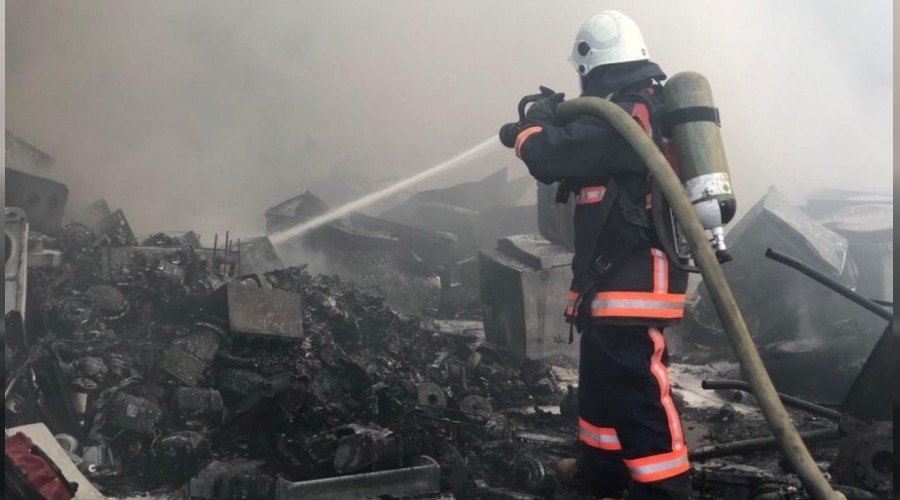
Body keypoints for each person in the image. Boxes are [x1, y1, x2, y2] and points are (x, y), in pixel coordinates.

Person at [500, 10, 691, 500]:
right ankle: (602, 471)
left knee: (636, 388)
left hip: (634, 280)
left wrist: (535, 124)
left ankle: (665, 489)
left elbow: (549, 155)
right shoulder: (627, 112)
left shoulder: (626, 116)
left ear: (590, 63)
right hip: (613, 279)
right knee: (603, 383)